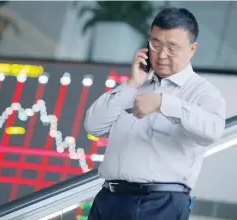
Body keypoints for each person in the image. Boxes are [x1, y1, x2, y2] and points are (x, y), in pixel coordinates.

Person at [84, 7, 226, 220]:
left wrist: (164, 103)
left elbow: (212, 130)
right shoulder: (136, 85)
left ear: (192, 49)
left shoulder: (202, 92)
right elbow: (93, 126)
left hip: (159, 204)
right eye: (156, 45)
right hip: (108, 199)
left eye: (172, 47)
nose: (161, 55)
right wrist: (131, 84)